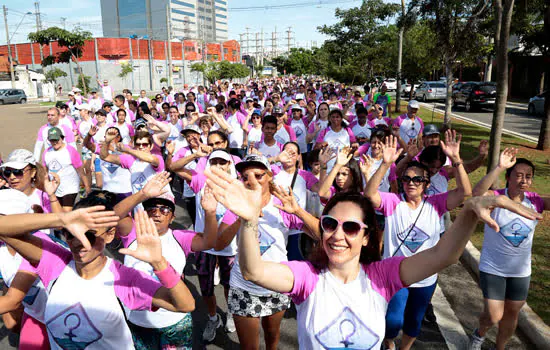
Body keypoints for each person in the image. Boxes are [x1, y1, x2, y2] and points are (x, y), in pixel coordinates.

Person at [203, 161, 541, 350]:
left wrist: (468, 213)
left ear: (366, 237)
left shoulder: (383, 275)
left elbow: (442, 256)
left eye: (351, 228)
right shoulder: (306, 276)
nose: (337, 234)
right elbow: (254, 271)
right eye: (330, 224)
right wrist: (249, 221)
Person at [0, 191, 197, 350]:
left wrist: (160, 263)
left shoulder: (123, 278)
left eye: (90, 235)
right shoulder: (55, 263)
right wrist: (61, 218)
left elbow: (185, 305)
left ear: (110, 235)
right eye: (70, 234)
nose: (79, 242)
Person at [364, 133, 471, 350]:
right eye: (406, 179)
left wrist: (457, 159)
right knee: (394, 320)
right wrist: (386, 164)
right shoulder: (393, 202)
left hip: (425, 277)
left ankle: (404, 348)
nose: (411, 183)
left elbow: (465, 192)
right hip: (396, 274)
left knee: (414, 320)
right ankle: (389, 340)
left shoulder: (436, 204)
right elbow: (370, 194)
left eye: (417, 179)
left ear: (426, 184)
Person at [211, 154, 320, 350]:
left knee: (272, 337)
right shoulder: (235, 206)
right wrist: (244, 216)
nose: (252, 180)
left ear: (270, 175)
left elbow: (322, 235)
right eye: (245, 177)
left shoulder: (281, 206)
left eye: (259, 175)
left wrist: (297, 211)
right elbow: (219, 245)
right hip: (244, 285)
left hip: (276, 283)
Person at [112, 172, 218, 349]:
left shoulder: (180, 238)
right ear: (144, 213)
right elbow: (114, 216)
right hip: (138, 321)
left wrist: (210, 213)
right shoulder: (132, 232)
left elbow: (209, 241)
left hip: (174, 321)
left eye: (165, 209)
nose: (157, 213)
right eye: (152, 208)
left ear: (173, 217)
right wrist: (142, 194)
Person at [468, 148, 548, 350]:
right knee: (494, 315)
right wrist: (499, 167)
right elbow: (475, 194)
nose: (523, 180)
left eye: (528, 176)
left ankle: (500, 347)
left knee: (512, 312)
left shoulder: (535, 201)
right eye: (519, 175)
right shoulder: (495, 197)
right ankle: (479, 334)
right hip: (493, 267)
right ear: (508, 177)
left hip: (520, 272)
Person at [172, 150, 240, 340]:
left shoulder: (236, 187)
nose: (218, 166)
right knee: (206, 286)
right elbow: (174, 167)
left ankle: (230, 315)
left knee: (229, 286)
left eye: (223, 162)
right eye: (214, 162)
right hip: (204, 245)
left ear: (229, 165)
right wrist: (195, 156)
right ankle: (212, 318)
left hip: (230, 248)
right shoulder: (200, 181)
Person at [42, 127, 91, 211]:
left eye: (56, 139)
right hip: (55, 189)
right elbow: (44, 172)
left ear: (62, 138)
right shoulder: (46, 152)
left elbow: (80, 170)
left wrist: (87, 187)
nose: (54, 142)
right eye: (52, 140)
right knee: (58, 214)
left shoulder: (70, 151)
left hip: (70, 188)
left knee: (66, 213)